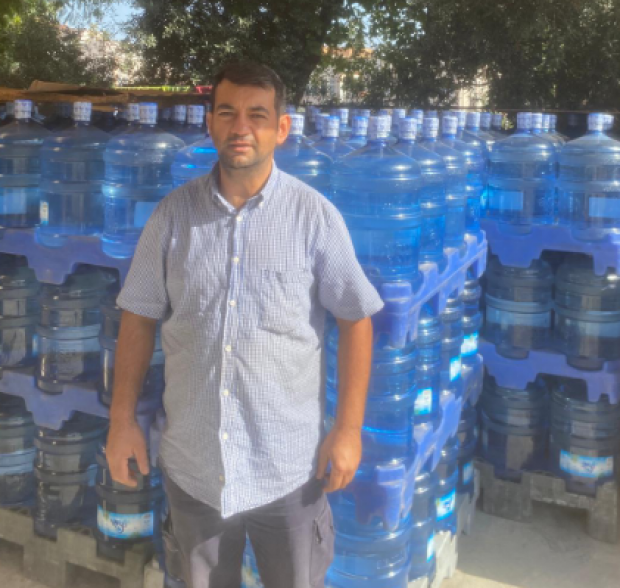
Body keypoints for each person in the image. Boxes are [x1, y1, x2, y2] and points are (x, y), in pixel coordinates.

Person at [105, 61, 383, 588]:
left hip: (289, 468)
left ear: (281, 128)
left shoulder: (314, 217)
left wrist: (347, 430)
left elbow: (356, 317)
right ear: (209, 122)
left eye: (257, 115)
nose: (241, 127)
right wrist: (122, 422)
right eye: (227, 112)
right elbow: (138, 317)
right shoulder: (171, 217)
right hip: (194, 467)